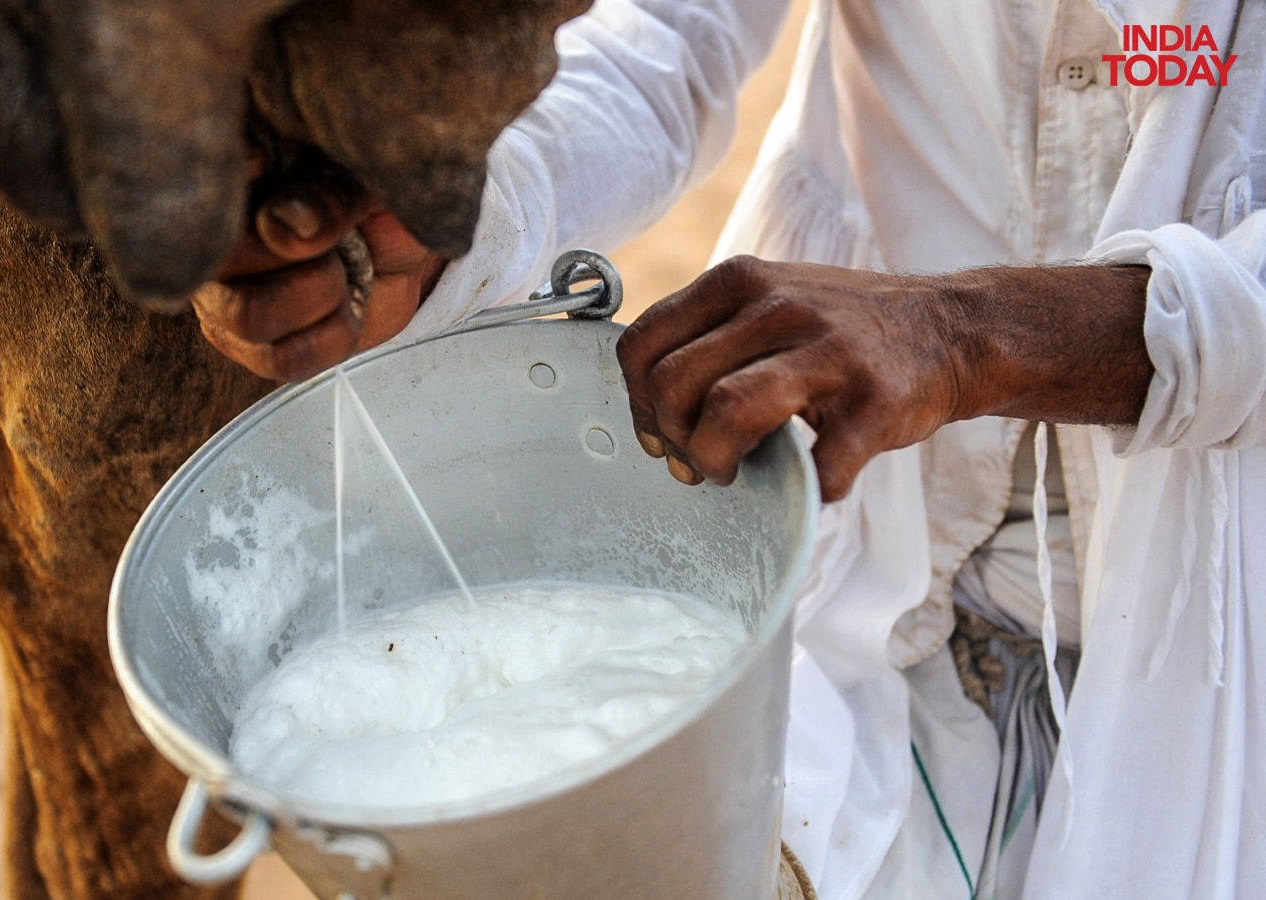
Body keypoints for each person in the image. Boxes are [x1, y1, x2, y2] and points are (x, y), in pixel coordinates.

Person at [193, 0, 1266, 897]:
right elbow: (667, 32)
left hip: (1217, 619)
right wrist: (468, 215)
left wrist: (965, 336)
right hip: (861, 554)